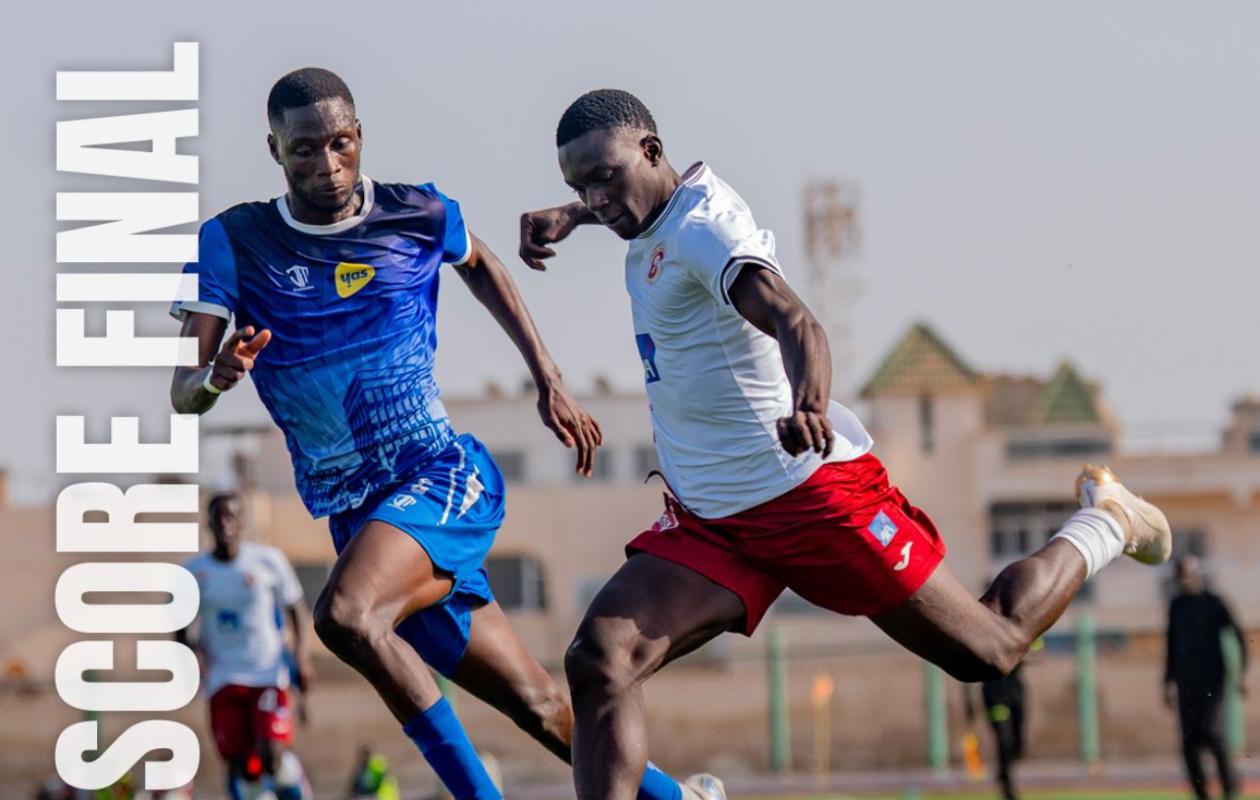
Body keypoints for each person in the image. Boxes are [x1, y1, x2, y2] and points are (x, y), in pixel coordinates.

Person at [518, 88, 1175, 800]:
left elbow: (797, 322)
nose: (595, 195)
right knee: (599, 662)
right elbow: (624, 203)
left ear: (650, 151)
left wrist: (807, 402)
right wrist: (578, 214)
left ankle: (1105, 520)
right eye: (577, 184)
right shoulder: (651, 214)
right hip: (711, 521)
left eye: (603, 177)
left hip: (807, 500)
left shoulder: (705, 231)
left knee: (990, 647)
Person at [170, 69, 705, 800]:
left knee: (347, 615)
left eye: (341, 144)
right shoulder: (236, 239)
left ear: (360, 137)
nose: (327, 166)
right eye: (304, 151)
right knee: (538, 705)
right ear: (274, 150)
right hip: (362, 518)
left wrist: (547, 376)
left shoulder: (415, 212)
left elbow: (480, 263)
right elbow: (183, 393)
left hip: (443, 479)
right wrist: (216, 376)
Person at [179, 492, 313, 800]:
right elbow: (181, 628)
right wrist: (191, 661)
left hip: (267, 671)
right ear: (208, 523)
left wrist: (301, 659)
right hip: (222, 677)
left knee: (271, 754)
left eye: (232, 517)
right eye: (219, 517)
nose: (225, 523)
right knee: (241, 765)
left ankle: (294, 780)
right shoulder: (193, 573)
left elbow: (295, 609)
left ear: (242, 522)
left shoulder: (268, 561)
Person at [1165, 554, 1249, 800]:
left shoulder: (1214, 602)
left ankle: (1230, 789)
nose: (1183, 579)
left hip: (1213, 680)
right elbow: (1171, 645)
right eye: (1179, 574)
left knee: (1212, 733)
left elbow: (1239, 635)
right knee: (1189, 741)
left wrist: (1243, 672)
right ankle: (1201, 794)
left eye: (1187, 573)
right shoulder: (1176, 605)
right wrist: (1167, 681)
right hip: (1185, 681)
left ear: (1197, 574)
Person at [964, 664, 1027, 800]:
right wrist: (968, 699)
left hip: (1015, 689)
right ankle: (1006, 780)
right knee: (1005, 739)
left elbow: (1038, 654)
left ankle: (1004, 771)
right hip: (995, 692)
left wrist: (1021, 654)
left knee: (1017, 744)